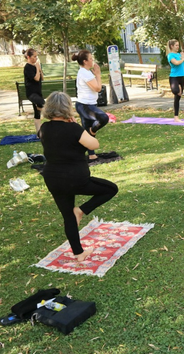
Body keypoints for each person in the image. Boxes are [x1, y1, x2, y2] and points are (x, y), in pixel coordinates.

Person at [38, 92, 118, 262]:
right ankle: (81, 210)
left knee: (68, 216)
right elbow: (93, 144)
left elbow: (59, 143)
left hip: (52, 178)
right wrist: (78, 128)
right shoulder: (74, 129)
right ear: (67, 108)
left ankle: (78, 253)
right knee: (111, 189)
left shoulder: (44, 128)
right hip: (76, 179)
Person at [72, 49, 108, 162]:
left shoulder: (86, 72)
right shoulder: (84, 73)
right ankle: (92, 131)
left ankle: (91, 155)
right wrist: (98, 74)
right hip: (84, 106)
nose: (93, 60)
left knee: (85, 132)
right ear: (85, 61)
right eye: (91, 59)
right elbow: (97, 88)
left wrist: (95, 74)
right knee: (103, 118)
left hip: (88, 104)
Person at [167, 39, 184, 122]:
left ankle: (176, 117)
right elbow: (176, 63)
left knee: (177, 98)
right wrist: (182, 58)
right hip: (174, 77)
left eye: (178, 45)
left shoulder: (179, 54)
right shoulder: (170, 55)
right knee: (176, 91)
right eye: (176, 45)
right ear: (172, 46)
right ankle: (178, 88)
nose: (178, 47)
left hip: (181, 77)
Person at [23, 49, 44, 133]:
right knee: (44, 105)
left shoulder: (35, 66)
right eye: (34, 56)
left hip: (38, 93)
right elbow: (36, 78)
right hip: (32, 94)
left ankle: (38, 133)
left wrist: (40, 70)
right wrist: (37, 67)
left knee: (37, 113)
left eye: (36, 56)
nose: (36, 58)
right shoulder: (27, 67)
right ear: (28, 57)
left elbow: (42, 78)